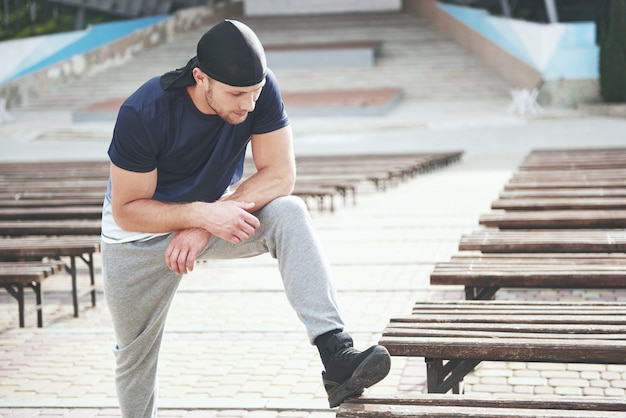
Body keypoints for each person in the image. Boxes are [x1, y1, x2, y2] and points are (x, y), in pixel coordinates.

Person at [100, 19, 391, 417]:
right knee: (134, 355)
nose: (248, 105)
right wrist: (202, 215)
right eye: (237, 94)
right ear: (200, 78)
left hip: (213, 219)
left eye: (254, 94)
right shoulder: (143, 111)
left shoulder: (261, 88)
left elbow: (281, 175)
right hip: (136, 238)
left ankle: (336, 353)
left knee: (289, 212)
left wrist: (204, 224)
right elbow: (127, 210)